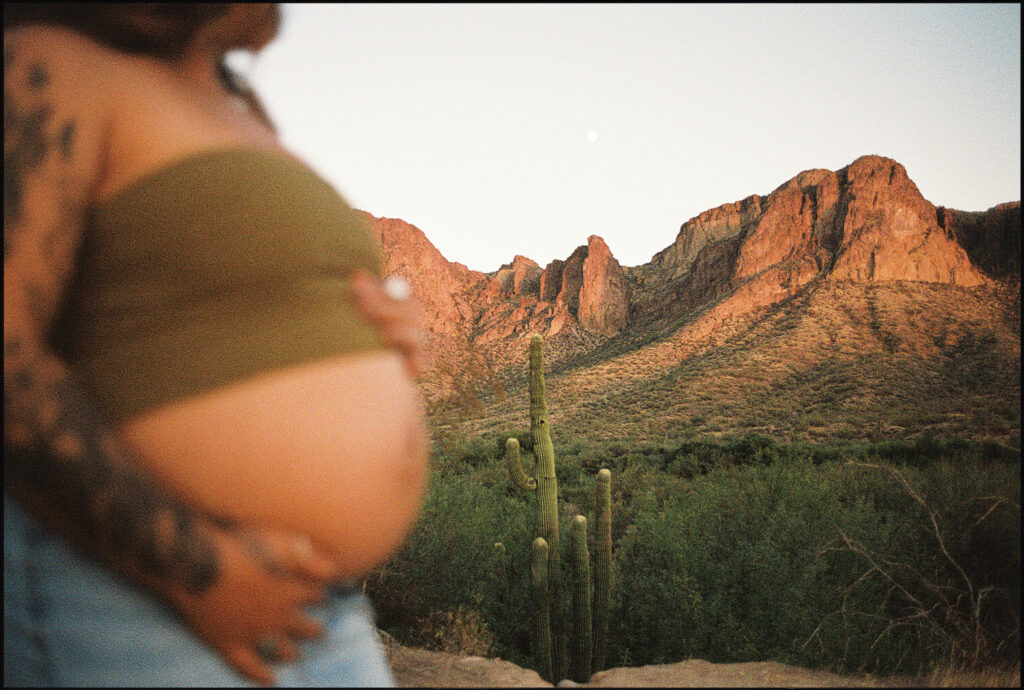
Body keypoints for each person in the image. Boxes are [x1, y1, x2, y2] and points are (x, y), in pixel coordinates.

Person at [4, 3, 429, 686]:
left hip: (324, 608)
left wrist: (383, 329)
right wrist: (198, 570)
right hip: (134, 595)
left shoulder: (240, 107)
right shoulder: (51, 64)